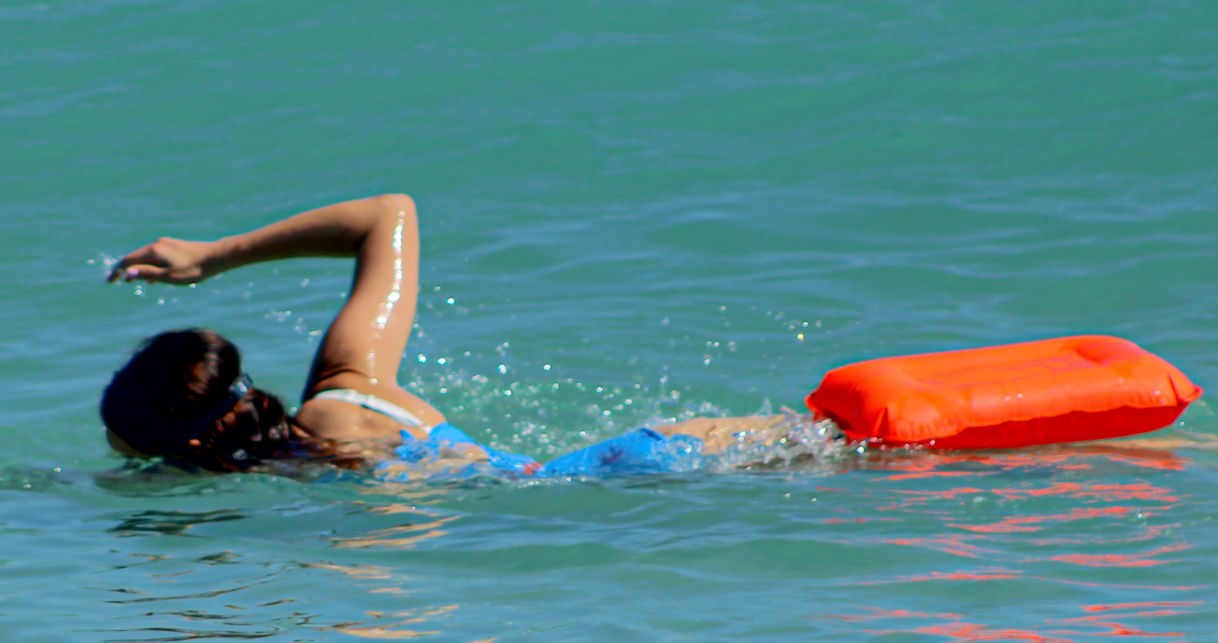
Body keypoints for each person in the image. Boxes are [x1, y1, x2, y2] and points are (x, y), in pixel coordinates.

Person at [100, 192, 795, 478]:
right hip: (658, 452)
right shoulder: (349, 380)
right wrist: (215, 255)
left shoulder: (326, 458)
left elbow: (400, 522)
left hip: (645, 482)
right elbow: (388, 215)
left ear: (188, 445)